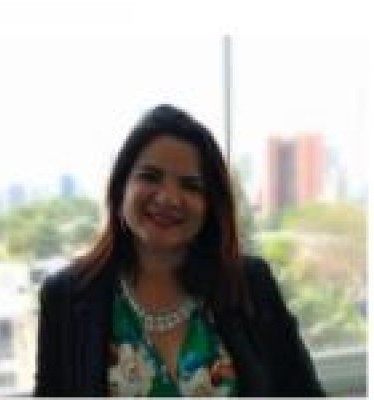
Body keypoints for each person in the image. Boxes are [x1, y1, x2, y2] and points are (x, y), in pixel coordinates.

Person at [34, 104, 325, 397]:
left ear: (210, 204)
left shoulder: (251, 284)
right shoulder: (66, 297)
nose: (169, 198)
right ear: (121, 187)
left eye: (190, 186)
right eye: (151, 176)